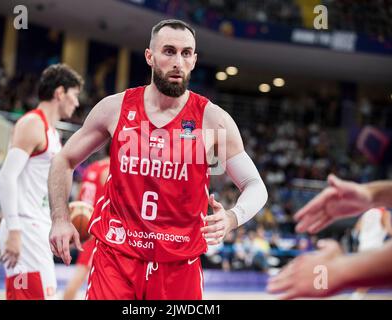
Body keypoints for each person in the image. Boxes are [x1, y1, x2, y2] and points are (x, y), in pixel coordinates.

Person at [49, 19, 268, 300]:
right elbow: (63, 160)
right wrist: (59, 219)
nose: (178, 61)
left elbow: (255, 185)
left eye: (186, 53)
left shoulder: (213, 120)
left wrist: (231, 218)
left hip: (179, 264)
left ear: (194, 59)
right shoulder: (114, 109)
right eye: (169, 51)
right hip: (117, 256)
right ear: (150, 57)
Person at [0, 64, 83, 300]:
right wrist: (14, 230)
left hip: (37, 226)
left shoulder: (52, 133)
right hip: (24, 227)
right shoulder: (32, 123)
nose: (76, 103)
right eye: (74, 95)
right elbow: (6, 177)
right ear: (59, 93)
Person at [267, 174, 392, 299]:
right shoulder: (384, 213)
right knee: (367, 278)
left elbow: (356, 230)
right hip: (377, 248)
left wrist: (372, 194)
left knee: (366, 279)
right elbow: (388, 230)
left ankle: (357, 295)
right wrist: (340, 269)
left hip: (364, 245)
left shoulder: (366, 214)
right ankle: (357, 296)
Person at [63, 147, 110, 300]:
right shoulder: (109, 169)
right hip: (96, 228)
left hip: (82, 219)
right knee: (81, 274)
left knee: (93, 276)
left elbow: (78, 196)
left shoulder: (93, 167)